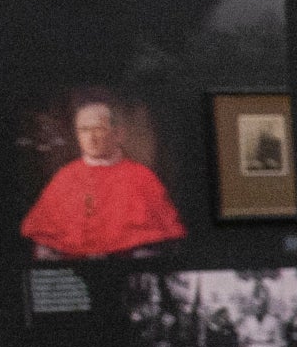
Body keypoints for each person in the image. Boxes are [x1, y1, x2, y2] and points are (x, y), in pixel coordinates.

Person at [20, 97, 185, 260]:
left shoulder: (142, 177)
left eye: (98, 129)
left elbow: (160, 246)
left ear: (118, 134)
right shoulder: (64, 177)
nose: (91, 138)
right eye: (84, 130)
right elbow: (44, 245)